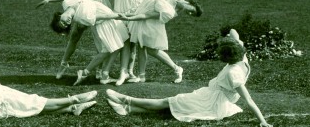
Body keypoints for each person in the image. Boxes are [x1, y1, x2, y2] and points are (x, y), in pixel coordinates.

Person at [105, 29, 273, 127]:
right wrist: (232, 40)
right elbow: (234, 33)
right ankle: (128, 109)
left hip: (213, 101)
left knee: (169, 101)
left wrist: (263, 122)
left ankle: (126, 99)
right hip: (213, 95)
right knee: (172, 108)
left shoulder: (233, 73)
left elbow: (249, 99)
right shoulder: (243, 57)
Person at [36, 0, 117, 80]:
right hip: (85, 11)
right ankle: (63, 64)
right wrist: (48, 0)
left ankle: (99, 70)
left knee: (100, 41)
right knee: (74, 36)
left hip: (101, 10)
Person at [119, 0, 202, 84]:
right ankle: (142, 76)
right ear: (193, 4)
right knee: (141, 46)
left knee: (152, 50)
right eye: (192, 11)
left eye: (192, 15)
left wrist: (129, 18)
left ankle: (177, 68)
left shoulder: (171, 11)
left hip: (151, 22)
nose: (189, 13)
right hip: (144, 8)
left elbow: (148, 16)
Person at [50, 0, 129, 86]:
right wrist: (118, 16)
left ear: (58, 16)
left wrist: (49, 0)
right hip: (105, 22)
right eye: (66, 25)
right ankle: (85, 73)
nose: (67, 23)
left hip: (107, 16)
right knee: (107, 50)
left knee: (120, 41)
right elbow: (103, 16)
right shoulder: (82, 17)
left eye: (63, 22)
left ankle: (104, 75)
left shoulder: (66, 3)